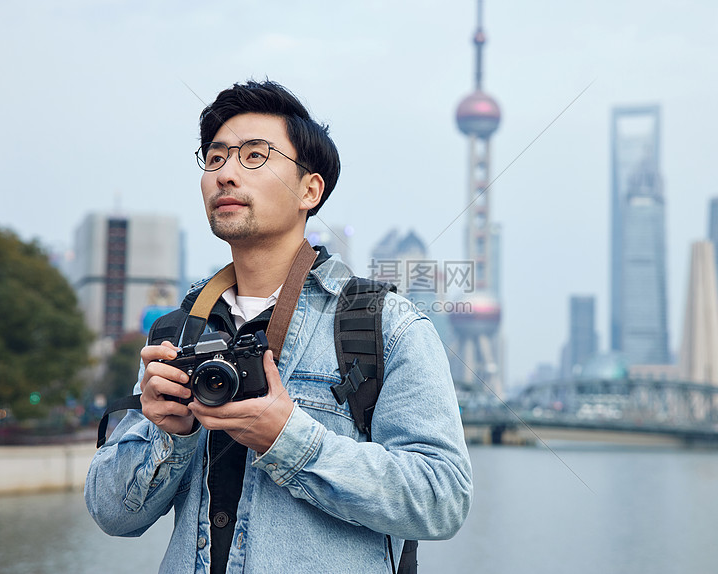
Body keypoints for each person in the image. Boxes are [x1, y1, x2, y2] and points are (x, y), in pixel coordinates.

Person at [85, 80, 472, 574]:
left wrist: (287, 439)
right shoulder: (176, 331)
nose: (225, 174)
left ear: (310, 190)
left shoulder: (383, 325)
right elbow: (112, 514)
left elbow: (443, 498)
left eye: (254, 156)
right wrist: (168, 433)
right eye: (216, 157)